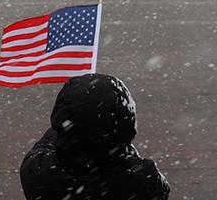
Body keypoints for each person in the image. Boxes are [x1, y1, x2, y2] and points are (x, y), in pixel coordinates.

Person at [19, 73, 170, 200]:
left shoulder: (39, 175)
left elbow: (45, 144)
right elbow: (160, 187)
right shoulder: (143, 182)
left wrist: (72, 121)